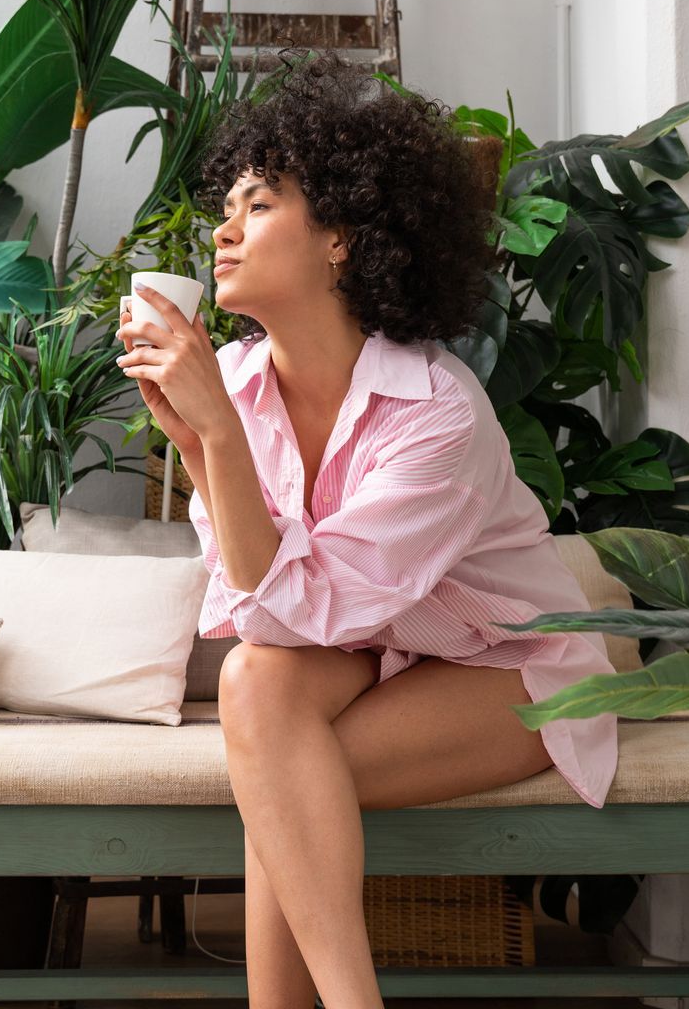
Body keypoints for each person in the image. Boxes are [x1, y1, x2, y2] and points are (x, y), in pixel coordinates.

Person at [115, 53, 617, 1009]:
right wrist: (199, 439)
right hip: (378, 649)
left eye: (258, 205)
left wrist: (213, 430)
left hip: (507, 663)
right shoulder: (241, 388)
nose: (222, 229)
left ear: (341, 238)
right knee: (258, 696)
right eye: (228, 206)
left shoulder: (436, 410)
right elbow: (252, 612)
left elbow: (316, 606)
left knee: (280, 777)